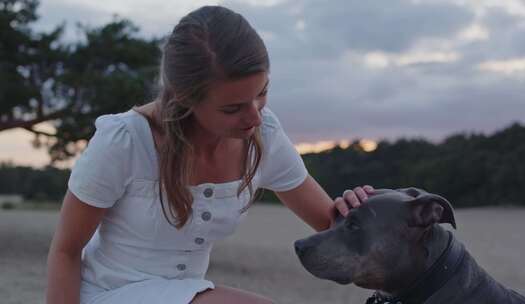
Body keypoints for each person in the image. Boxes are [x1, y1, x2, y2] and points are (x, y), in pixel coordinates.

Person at [46, 6, 373, 304]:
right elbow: (65, 251)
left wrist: (360, 211)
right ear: (186, 99)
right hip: (107, 293)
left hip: (188, 294)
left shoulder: (264, 134)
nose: (255, 116)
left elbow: (328, 223)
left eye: (262, 94)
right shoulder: (124, 141)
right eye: (233, 108)